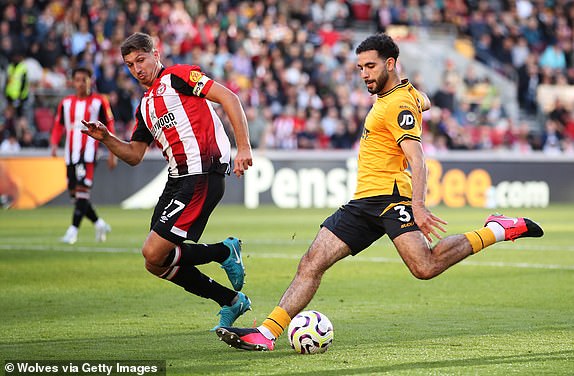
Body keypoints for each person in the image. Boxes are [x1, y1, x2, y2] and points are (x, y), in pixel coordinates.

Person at [215, 33, 544, 351]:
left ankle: (497, 230)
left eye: (370, 66)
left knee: (425, 267)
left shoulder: (397, 103)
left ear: (390, 63)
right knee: (312, 261)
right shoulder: (404, 95)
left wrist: (417, 205)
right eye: (360, 68)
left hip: (390, 199)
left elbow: (418, 158)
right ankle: (266, 333)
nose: (363, 74)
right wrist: (417, 99)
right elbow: (423, 101)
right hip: (362, 203)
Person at [80, 32, 254, 330]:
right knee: (155, 262)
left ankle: (224, 251)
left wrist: (244, 147)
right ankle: (230, 300)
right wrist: (107, 138)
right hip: (177, 180)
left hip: (202, 173)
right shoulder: (145, 107)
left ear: (155, 54)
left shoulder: (179, 77)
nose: (137, 69)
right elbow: (134, 154)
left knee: (153, 251)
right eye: (130, 65)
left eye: (141, 60)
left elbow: (229, 97)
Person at [51, 67, 117, 244]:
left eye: (84, 79)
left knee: (82, 192)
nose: (80, 83)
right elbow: (59, 125)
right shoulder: (66, 102)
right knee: (75, 195)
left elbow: (109, 126)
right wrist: (54, 143)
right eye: (77, 79)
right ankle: (99, 223)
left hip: (87, 154)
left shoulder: (99, 101)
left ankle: (72, 232)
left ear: (90, 81)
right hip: (70, 154)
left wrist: (113, 153)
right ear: (72, 82)